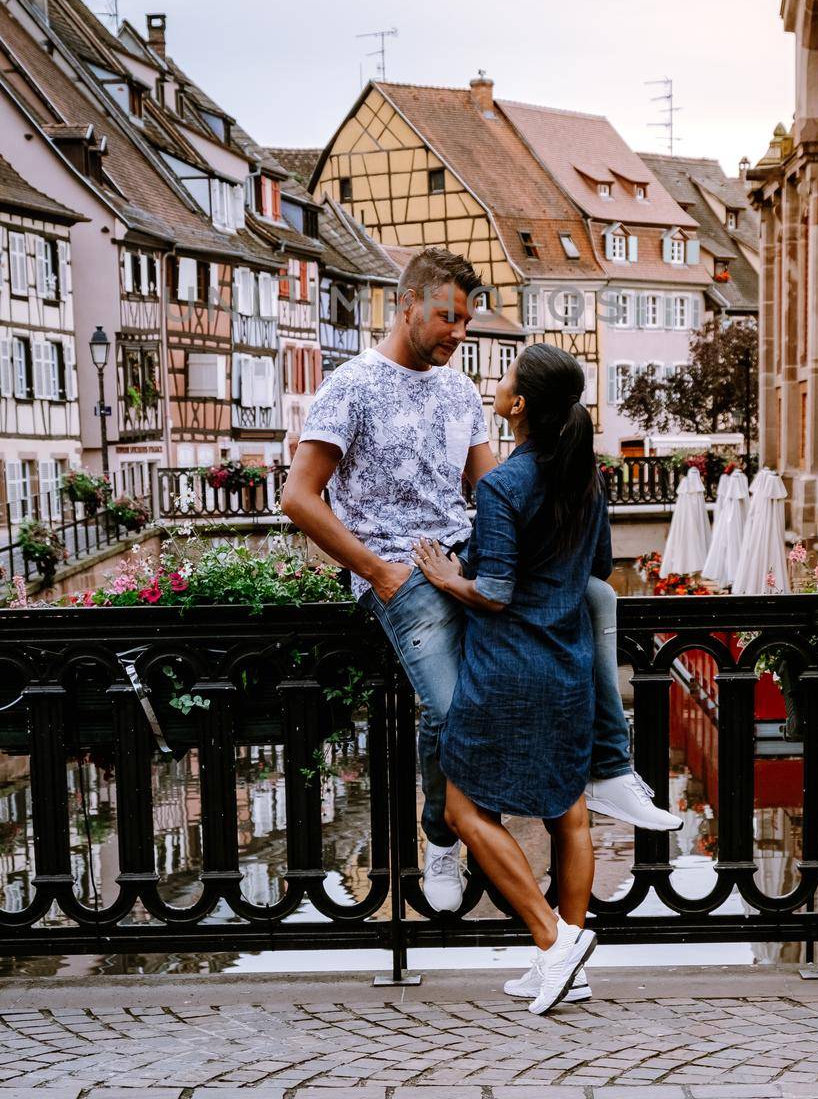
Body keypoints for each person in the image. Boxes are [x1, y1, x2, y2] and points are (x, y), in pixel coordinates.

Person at [281, 246, 679, 916]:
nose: (458, 334)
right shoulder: (350, 386)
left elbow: (494, 485)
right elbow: (298, 497)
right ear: (403, 305)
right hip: (400, 571)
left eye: (465, 321)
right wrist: (378, 572)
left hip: (468, 559)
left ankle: (610, 770)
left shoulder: (459, 390)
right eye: (446, 318)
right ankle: (441, 837)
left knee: (587, 598)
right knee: (454, 709)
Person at [411, 342, 603, 1013]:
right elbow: (595, 565)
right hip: (566, 660)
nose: (494, 385)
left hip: (506, 668)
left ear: (517, 405)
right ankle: (568, 969)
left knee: (462, 810)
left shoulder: (502, 484)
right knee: (566, 811)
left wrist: (445, 576)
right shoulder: (585, 474)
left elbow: (493, 591)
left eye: (504, 378)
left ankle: (554, 942)